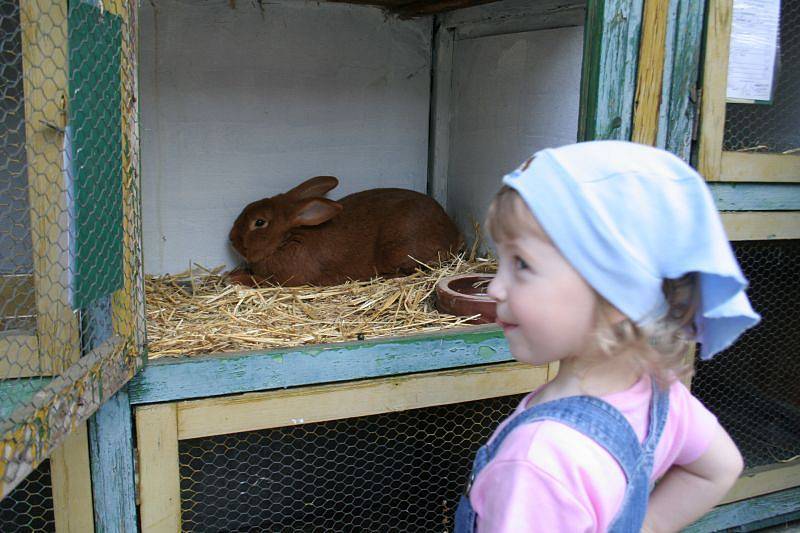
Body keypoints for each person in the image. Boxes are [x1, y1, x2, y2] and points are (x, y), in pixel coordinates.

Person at [454, 141, 760, 532]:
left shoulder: (539, 460)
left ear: (616, 297)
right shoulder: (660, 397)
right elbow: (719, 468)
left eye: (522, 264)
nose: (495, 289)